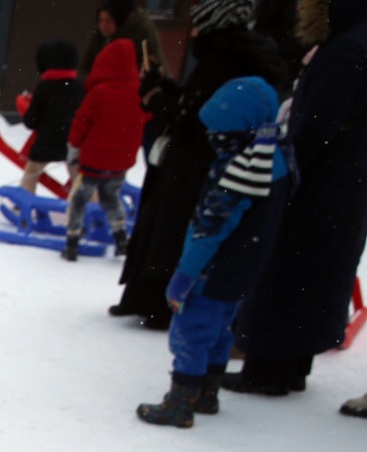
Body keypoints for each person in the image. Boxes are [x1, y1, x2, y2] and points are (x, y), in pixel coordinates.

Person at [111, 0, 289, 326]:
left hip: (197, 162)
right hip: (197, 158)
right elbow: (197, 103)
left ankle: (158, 302)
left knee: (173, 230)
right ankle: (148, 298)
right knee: (166, 226)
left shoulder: (225, 55)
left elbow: (200, 117)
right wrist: (165, 88)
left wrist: (162, 100)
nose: (192, 26)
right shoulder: (234, 51)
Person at [226, 0, 367, 396]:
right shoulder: (354, 43)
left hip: (319, 184)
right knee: (314, 276)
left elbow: (317, 125)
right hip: (345, 185)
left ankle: (267, 369)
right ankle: (289, 365)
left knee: (286, 272)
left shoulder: (346, 50)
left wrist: (285, 166)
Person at [137, 77, 291, 426]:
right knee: (219, 330)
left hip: (212, 270)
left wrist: (183, 276)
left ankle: (180, 404)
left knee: (189, 334)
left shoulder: (238, 170)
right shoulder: (274, 157)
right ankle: (207, 393)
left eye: (219, 132)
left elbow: (209, 231)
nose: (213, 139)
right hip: (244, 271)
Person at [63, 38, 149, 261]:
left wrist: (74, 147)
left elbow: (81, 122)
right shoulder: (139, 92)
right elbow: (146, 117)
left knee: (79, 199)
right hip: (121, 162)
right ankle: (121, 237)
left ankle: (72, 241)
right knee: (111, 198)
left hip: (93, 160)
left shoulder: (99, 92)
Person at [16, 40, 84, 194]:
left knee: (31, 171)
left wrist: (26, 111)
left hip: (46, 144)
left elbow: (31, 121)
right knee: (79, 176)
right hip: (73, 144)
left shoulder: (44, 88)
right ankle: (87, 208)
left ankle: (24, 203)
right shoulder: (79, 88)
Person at [79, 0, 168, 80]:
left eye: (108, 21)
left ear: (119, 19)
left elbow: (157, 67)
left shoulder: (143, 30)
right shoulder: (100, 33)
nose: (103, 26)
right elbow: (84, 67)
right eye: (100, 20)